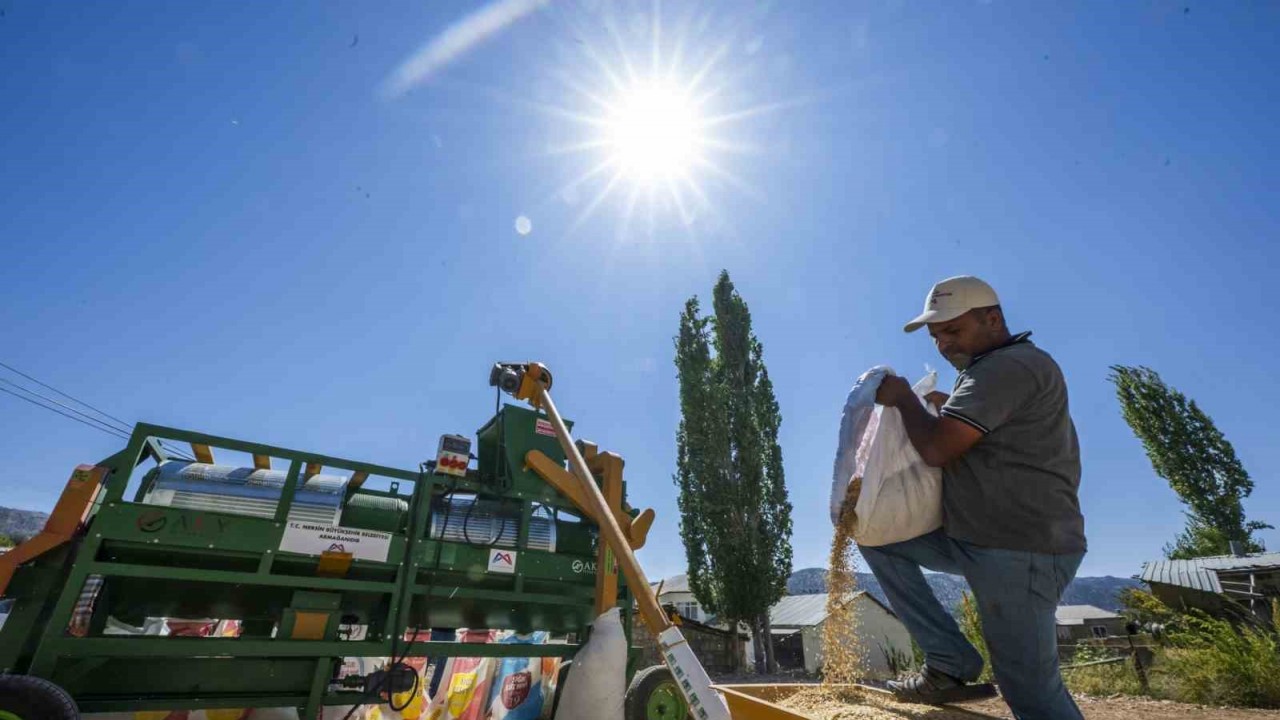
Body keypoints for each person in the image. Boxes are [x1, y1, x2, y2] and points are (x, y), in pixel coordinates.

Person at [861, 275, 1086, 720]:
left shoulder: (1007, 367)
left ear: (993, 319)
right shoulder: (991, 372)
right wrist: (943, 408)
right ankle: (949, 663)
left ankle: (952, 664)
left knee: (1031, 693)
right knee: (877, 537)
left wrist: (906, 398)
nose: (943, 344)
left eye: (953, 330)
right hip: (978, 541)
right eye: (936, 336)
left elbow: (938, 449)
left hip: (1022, 549)